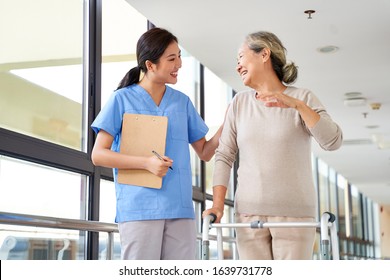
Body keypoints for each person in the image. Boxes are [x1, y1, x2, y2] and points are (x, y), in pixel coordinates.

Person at [203, 31, 343, 260]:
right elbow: (224, 155)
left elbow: (333, 141)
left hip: (295, 216)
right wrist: (218, 205)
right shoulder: (239, 103)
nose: (238, 66)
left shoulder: (303, 98)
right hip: (248, 217)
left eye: (241, 57)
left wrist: (296, 105)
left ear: (264, 54)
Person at [91, 27, 223, 260]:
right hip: (139, 207)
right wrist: (146, 163)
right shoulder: (122, 99)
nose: (179, 64)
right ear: (150, 65)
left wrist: (229, 124)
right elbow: (98, 155)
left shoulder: (181, 102)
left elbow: (204, 152)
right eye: (171, 59)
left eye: (179, 56)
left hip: (180, 207)